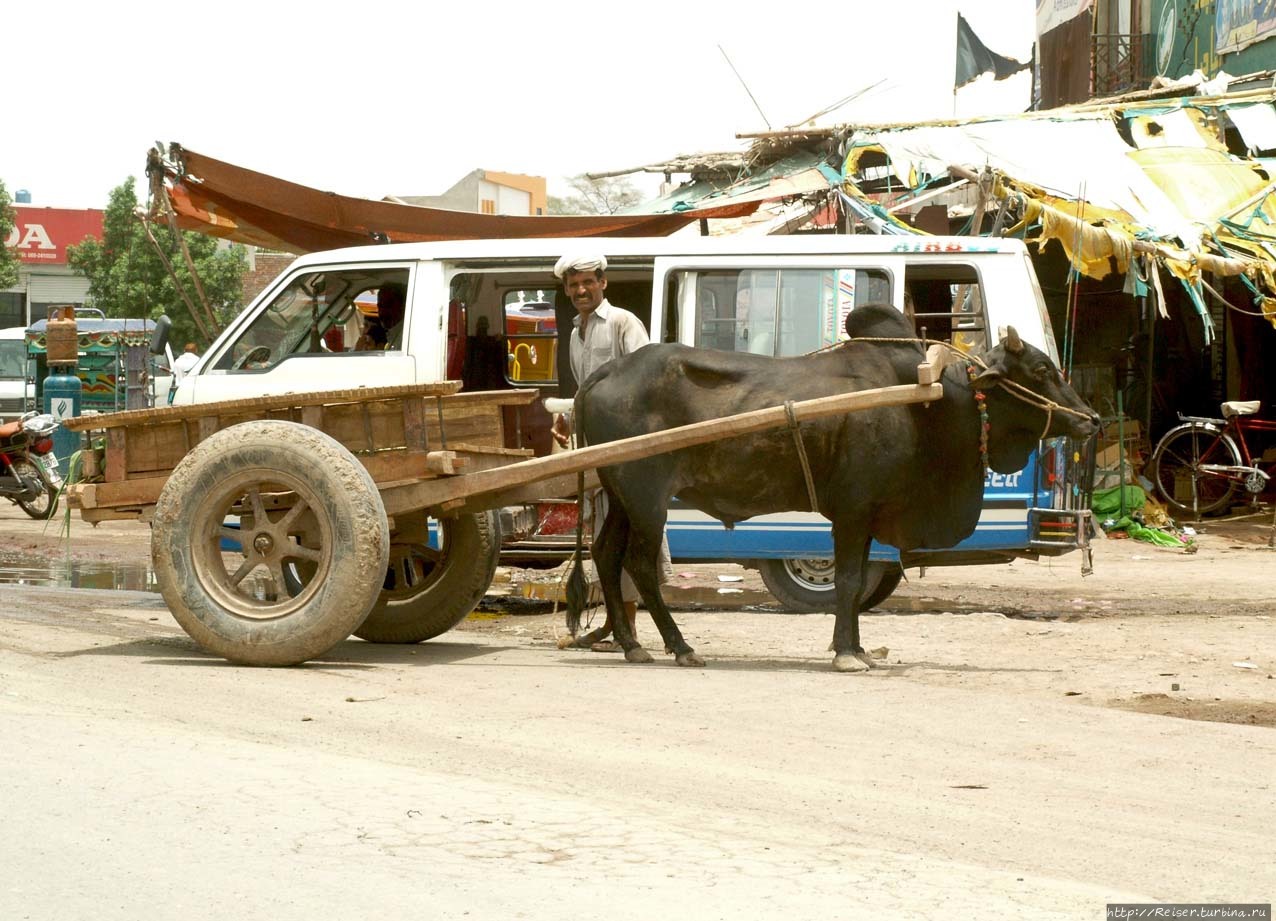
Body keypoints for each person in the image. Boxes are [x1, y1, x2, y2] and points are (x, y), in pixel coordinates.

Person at [550, 252, 671, 653]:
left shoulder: (621, 322)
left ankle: (629, 628)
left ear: (603, 282)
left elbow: (649, 376)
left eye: (587, 282)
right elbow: (586, 390)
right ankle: (614, 621)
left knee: (630, 531)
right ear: (566, 290)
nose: (581, 291)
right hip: (598, 442)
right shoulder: (575, 333)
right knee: (606, 531)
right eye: (573, 285)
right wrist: (569, 418)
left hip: (628, 446)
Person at [377, 283, 407, 349]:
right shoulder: (393, 335)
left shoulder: (406, 337)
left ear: (402, 306)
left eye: (388, 305)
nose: (382, 312)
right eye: (380, 306)